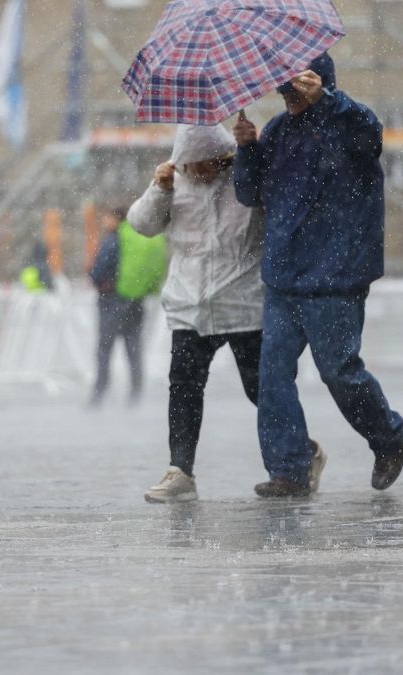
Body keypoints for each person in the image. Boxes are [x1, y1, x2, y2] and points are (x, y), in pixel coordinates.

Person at [233, 52, 403, 498]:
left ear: (318, 81)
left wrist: (331, 101)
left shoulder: (350, 123)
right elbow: (250, 193)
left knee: (340, 372)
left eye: (295, 87)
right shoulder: (275, 132)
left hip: (336, 275)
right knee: (271, 374)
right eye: (282, 88)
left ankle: (388, 435)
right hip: (283, 277)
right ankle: (289, 468)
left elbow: (371, 135)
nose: (288, 96)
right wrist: (247, 149)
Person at [128, 124, 327, 503]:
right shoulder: (172, 183)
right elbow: (142, 224)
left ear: (223, 158)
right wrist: (159, 189)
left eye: (208, 164)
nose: (200, 173)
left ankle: (304, 453)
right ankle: (180, 471)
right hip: (190, 307)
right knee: (184, 390)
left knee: (261, 391)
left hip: (244, 305)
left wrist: (251, 148)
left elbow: (282, 217)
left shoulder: (246, 179)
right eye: (192, 165)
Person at [87, 206, 165, 408]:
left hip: (112, 299)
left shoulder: (114, 239)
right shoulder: (139, 236)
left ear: (116, 218)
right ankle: (136, 394)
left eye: (107, 217)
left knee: (105, 349)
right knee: (133, 348)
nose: (104, 221)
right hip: (136, 300)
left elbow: (99, 270)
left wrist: (95, 278)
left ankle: (99, 393)